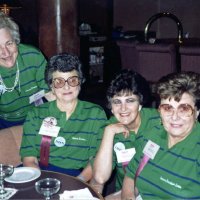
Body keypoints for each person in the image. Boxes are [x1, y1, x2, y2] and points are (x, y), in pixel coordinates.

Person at [20, 53, 107, 181]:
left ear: (80, 82)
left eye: (72, 80)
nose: (66, 87)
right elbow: (29, 157)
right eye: (59, 82)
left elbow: (97, 159)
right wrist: (40, 182)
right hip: (38, 173)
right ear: (51, 86)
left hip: (74, 176)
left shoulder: (95, 114)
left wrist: (78, 182)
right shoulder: (35, 114)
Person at [122, 71, 200, 199]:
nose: (174, 117)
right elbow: (130, 175)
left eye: (184, 109)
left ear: (197, 112)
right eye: (168, 108)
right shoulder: (152, 135)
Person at [92, 69, 160, 199]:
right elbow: (100, 177)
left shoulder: (158, 121)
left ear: (140, 103)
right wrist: (109, 133)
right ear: (111, 107)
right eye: (117, 102)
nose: (123, 109)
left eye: (130, 100)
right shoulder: (108, 128)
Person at [0, 11, 53, 129]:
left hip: (36, 115)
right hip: (3, 121)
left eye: (9, 43)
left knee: (46, 145)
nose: (6, 53)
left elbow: (51, 94)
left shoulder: (32, 56)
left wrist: (48, 133)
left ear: (15, 40)